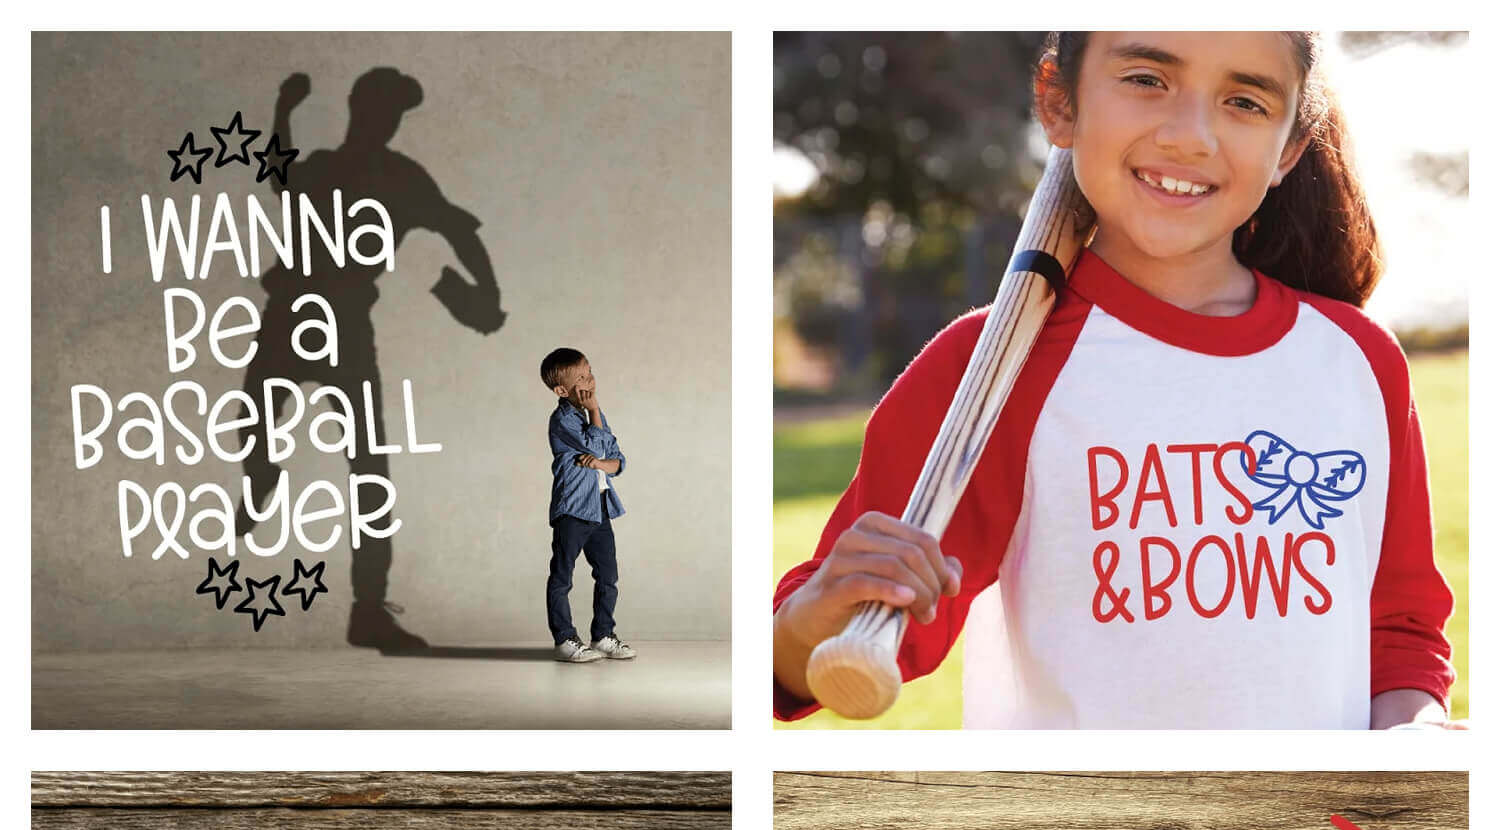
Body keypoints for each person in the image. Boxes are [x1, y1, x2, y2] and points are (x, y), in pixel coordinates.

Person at [773, 32, 1457, 729]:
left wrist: (1417, 734)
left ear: (1288, 149)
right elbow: (824, 656)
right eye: (1146, 80)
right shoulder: (994, 369)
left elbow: (1398, 637)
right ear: (1059, 101)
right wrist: (815, 618)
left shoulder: (1356, 360)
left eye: (1244, 100)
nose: (1190, 136)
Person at [239, 67, 504, 654]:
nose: (384, 121)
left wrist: (487, 292)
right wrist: (283, 109)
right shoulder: (325, 169)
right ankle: (260, 475)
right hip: (289, 311)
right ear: (358, 108)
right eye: (379, 109)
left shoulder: (402, 178)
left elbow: (459, 230)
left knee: (368, 468)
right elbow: (278, 174)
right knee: (252, 414)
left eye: (394, 114)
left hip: (347, 327)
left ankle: (368, 608)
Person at [541, 348, 636, 663]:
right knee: (562, 576)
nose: (590, 380)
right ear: (561, 390)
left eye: (590, 371)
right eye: (580, 377)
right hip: (573, 510)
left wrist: (601, 462)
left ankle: (603, 635)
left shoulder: (592, 414)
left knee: (608, 576)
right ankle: (565, 639)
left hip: (600, 508)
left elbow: (617, 458)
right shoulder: (563, 419)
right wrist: (599, 452)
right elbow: (598, 444)